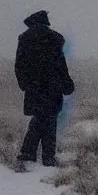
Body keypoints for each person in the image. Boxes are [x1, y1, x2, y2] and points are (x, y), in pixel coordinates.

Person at [14, 10, 74, 166]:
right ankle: (44, 156)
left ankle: (29, 154)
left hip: (33, 87)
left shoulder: (25, 39)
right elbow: (61, 65)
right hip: (52, 86)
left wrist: (25, 83)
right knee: (48, 119)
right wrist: (67, 84)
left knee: (40, 117)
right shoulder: (54, 39)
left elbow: (19, 66)